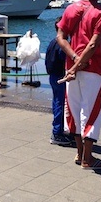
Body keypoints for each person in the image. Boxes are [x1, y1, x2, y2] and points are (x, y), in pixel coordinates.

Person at [56, 0, 101, 170]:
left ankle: (79, 154)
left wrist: (73, 60)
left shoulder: (70, 9)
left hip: (71, 68)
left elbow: (60, 37)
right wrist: (80, 62)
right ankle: (88, 158)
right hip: (93, 68)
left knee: (73, 109)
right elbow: (93, 45)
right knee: (91, 112)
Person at [45, 16, 73, 146]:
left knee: (57, 102)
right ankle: (57, 132)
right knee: (60, 104)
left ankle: (58, 130)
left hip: (53, 76)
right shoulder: (62, 44)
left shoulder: (52, 42)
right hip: (60, 77)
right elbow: (65, 60)